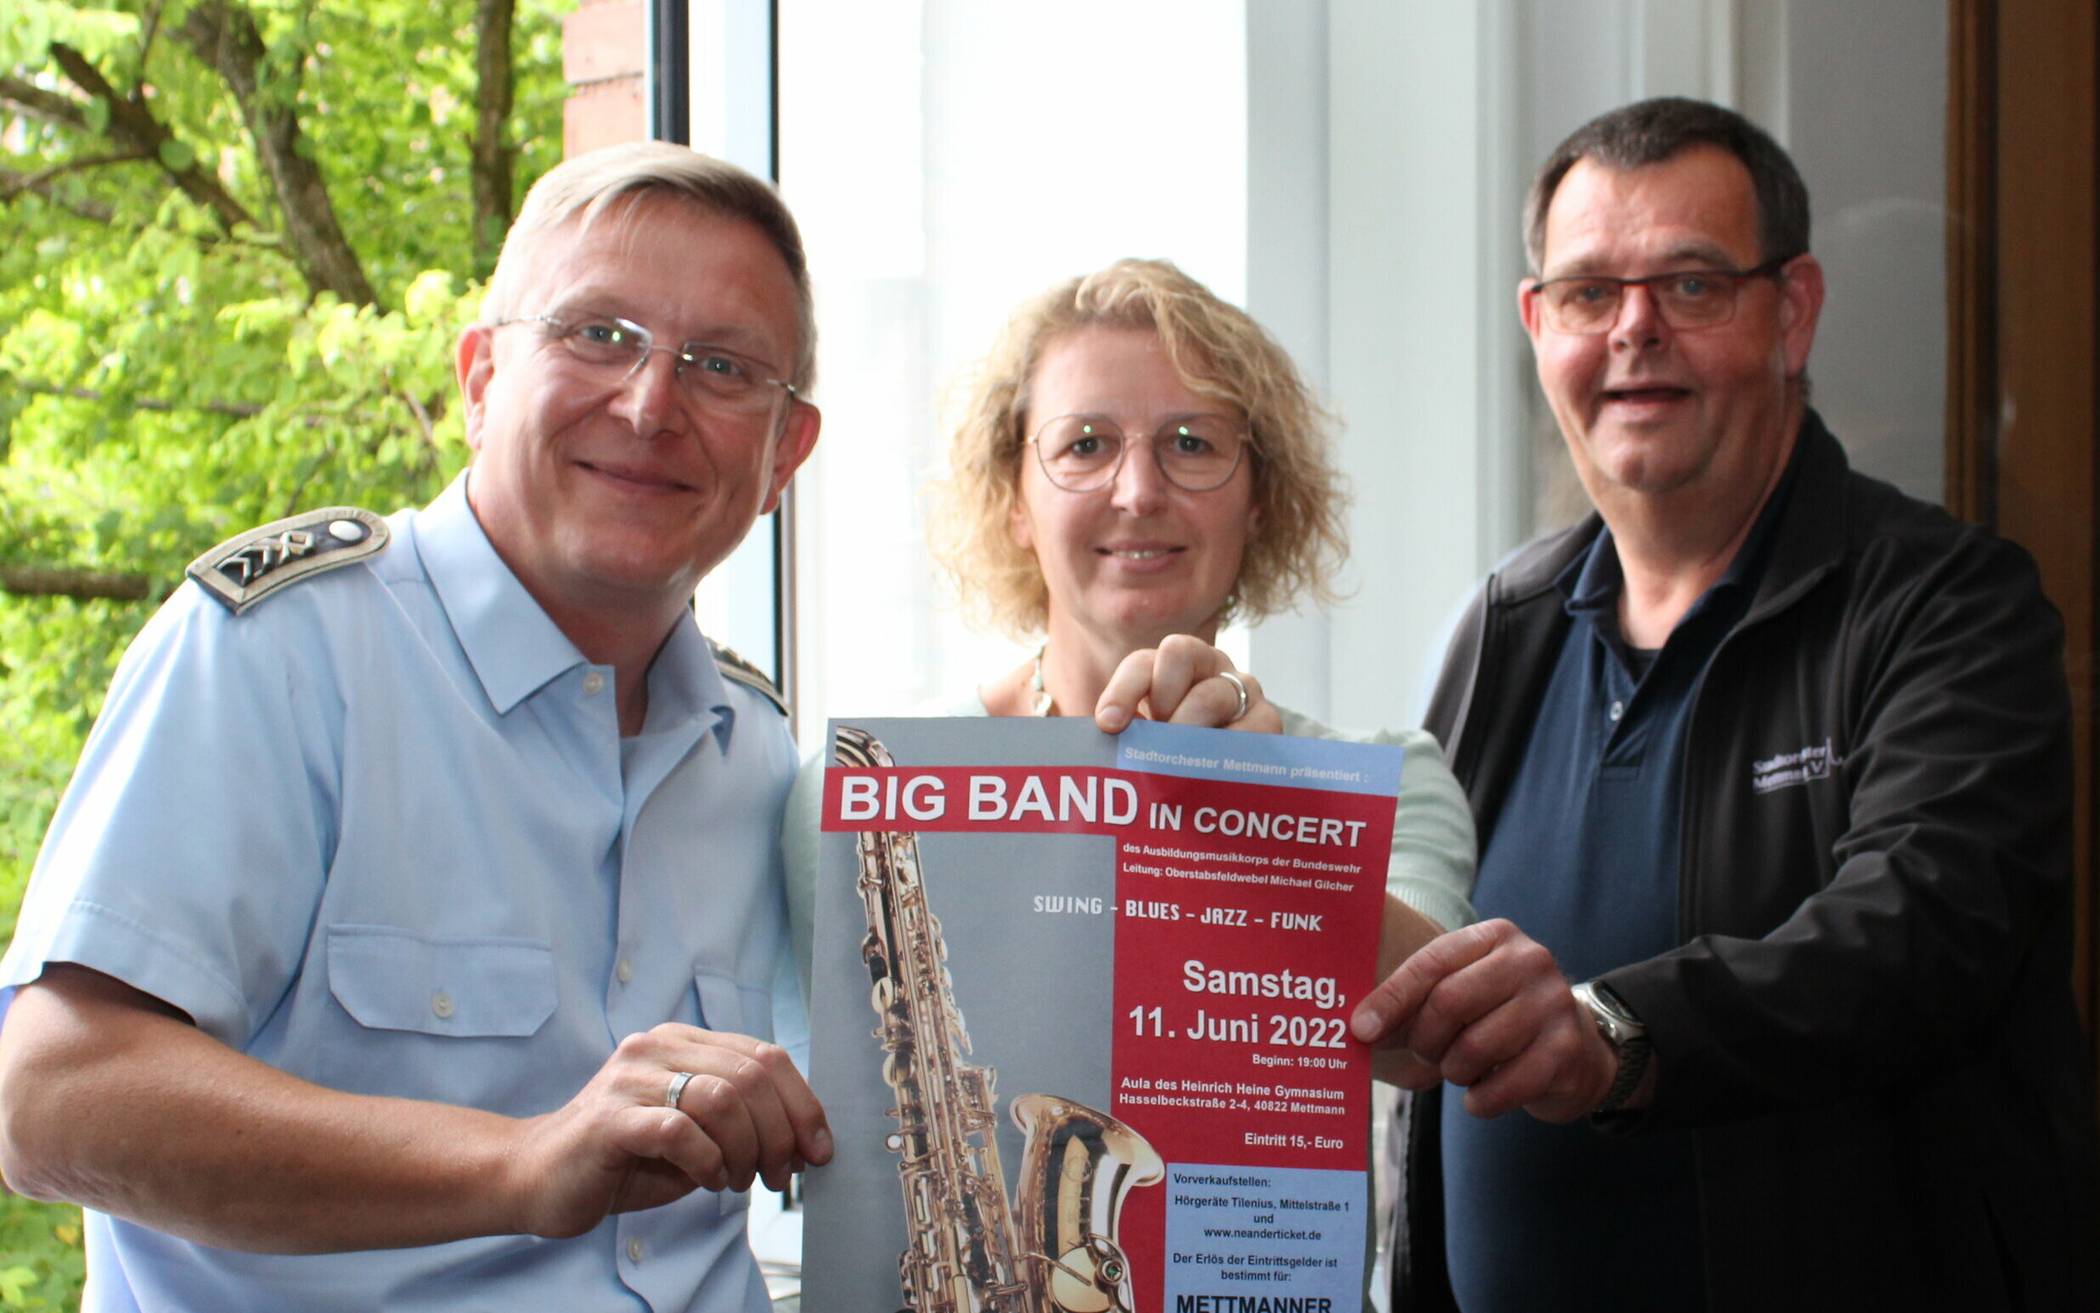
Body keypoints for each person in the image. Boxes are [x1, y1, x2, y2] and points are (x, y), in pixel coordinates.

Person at [0, 142, 834, 1311]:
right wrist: (523, 1162)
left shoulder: (758, 752)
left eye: (722, 366)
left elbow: (901, 1112)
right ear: (481, 376)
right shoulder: (284, 654)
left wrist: (1157, 764)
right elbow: (49, 1099)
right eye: (597, 334)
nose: (651, 403)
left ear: (784, 452)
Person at [1348, 97, 2100, 1310]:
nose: (1635, 330)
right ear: (1540, 326)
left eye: (1692, 285)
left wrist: (1613, 1035)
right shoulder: (1500, 629)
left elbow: (1911, 937)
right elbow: (1421, 968)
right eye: (1591, 293)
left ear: (1790, 312)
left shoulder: (1952, 607)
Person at [785, 257, 1475, 995]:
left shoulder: (1395, 785)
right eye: (1085, 444)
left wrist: (1271, 828)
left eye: (1191, 442)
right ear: (1013, 501)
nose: (1140, 492)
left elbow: (1429, 1029)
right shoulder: (862, 789)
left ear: (1260, 499)